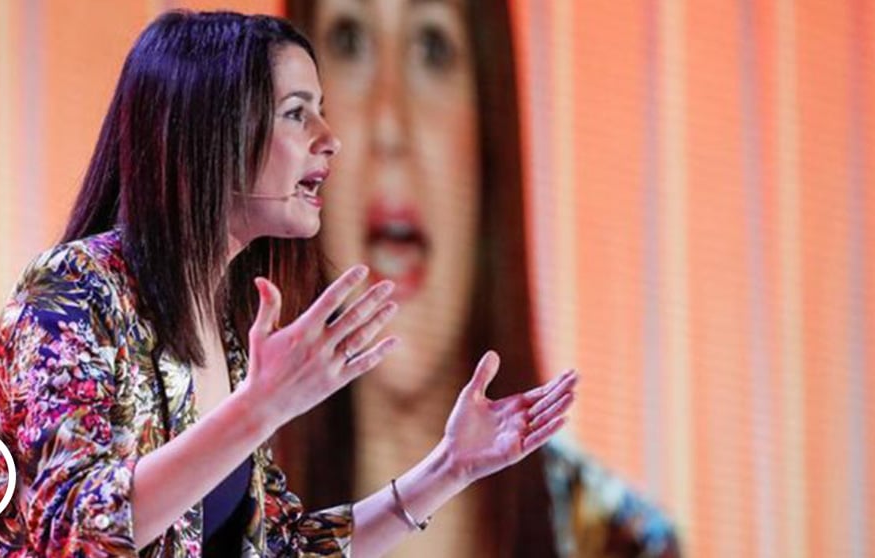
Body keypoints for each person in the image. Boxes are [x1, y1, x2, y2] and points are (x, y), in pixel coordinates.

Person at [0, 10, 578, 558]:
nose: (330, 141)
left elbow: (282, 547)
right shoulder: (74, 292)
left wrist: (449, 467)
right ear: (211, 134)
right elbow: (73, 530)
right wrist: (260, 408)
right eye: (296, 114)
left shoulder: (227, 331)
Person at [279, 1, 680, 556]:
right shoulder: (224, 508)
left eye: (432, 47)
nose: (390, 124)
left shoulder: (619, 541)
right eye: (349, 40)